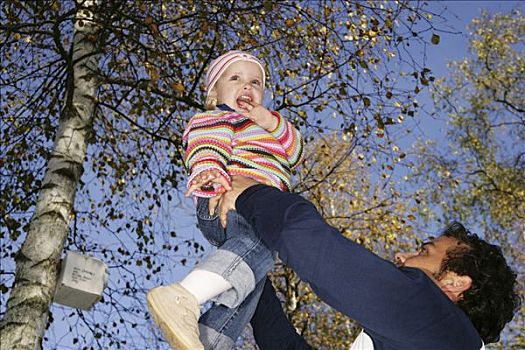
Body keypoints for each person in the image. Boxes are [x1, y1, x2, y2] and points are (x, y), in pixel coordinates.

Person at [213, 176, 520, 349]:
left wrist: (251, 195)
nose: (401, 256)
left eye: (424, 251)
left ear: (455, 283)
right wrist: (249, 267)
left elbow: (320, 253)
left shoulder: (443, 326)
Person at [147, 51, 304, 349]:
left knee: (250, 279)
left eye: (255, 82)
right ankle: (185, 295)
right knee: (256, 246)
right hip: (226, 196)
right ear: (214, 93)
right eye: (235, 79)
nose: (247, 87)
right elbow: (206, 145)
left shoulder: (266, 130)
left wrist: (271, 121)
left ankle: (209, 340)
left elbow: (295, 153)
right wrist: (210, 171)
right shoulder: (218, 118)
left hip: (258, 208)